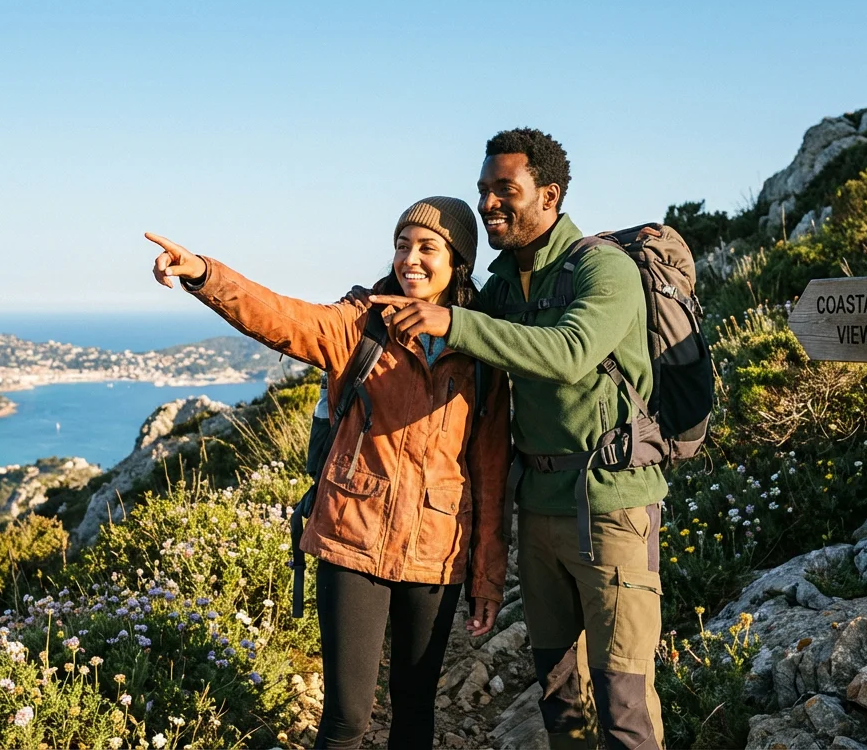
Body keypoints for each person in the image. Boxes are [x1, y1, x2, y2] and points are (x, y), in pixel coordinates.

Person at [142, 196, 510, 750]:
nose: (411, 258)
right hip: (350, 536)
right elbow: (281, 318)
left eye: (428, 247)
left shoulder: (482, 345)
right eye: (402, 244)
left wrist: (485, 577)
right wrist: (203, 274)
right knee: (346, 719)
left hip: (436, 549)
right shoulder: (361, 321)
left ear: (457, 260)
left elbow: (489, 471)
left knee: (414, 713)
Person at [371, 129, 667, 750]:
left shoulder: (602, 268)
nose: (489, 203)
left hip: (611, 505)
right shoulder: (505, 284)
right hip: (537, 506)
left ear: (549, 194)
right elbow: (437, 293)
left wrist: (454, 322)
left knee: (624, 702)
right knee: (559, 693)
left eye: (505, 189)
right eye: (483, 190)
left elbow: (570, 353)